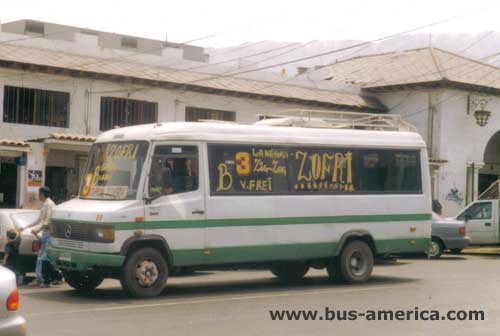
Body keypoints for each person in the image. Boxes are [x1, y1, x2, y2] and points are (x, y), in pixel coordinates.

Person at [23, 186, 55, 286]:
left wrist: (37, 230)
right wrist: (26, 227)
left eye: (39, 194)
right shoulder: (45, 204)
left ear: (42, 194)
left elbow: (47, 221)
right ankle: (43, 278)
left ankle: (42, 279)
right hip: (45, 233)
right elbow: (39, 220)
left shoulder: (49, 205)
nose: (38, 196)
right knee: (43, 257)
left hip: (48, 234)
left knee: (43, 258)